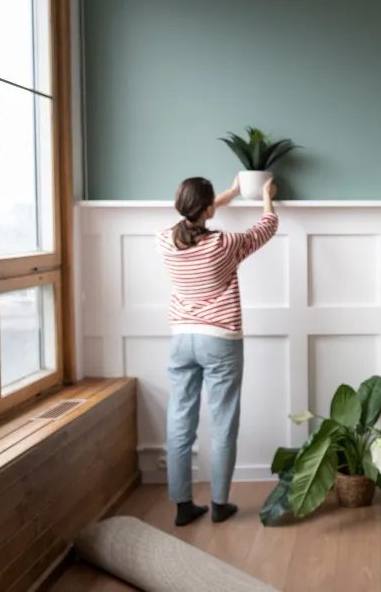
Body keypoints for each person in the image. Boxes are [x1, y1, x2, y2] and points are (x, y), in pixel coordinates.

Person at [157, 174, 278, 526]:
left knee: (180, 421)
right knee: (223, 422)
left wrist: (229, 194)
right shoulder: (223, 244)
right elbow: (266, 227)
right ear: (208, 208)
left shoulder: (164, 240)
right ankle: (220, 504)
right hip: (219, 339)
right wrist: (265, 194)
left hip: (181, 339)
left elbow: (192, 219)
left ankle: (182, 506)